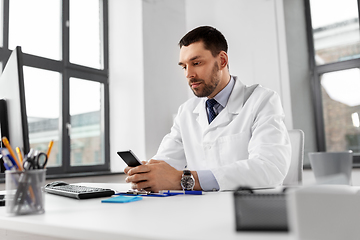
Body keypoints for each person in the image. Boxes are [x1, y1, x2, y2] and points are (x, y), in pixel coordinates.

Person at [124, 26, 291, 192]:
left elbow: (270, 168)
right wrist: (147, 174)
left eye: (196, 63)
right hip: (199, 210)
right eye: (184, 66)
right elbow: (165, 162)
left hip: (245, 211)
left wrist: (183, 180)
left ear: (222, 61)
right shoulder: (186, 112)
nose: (189, 74)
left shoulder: (263, 100)